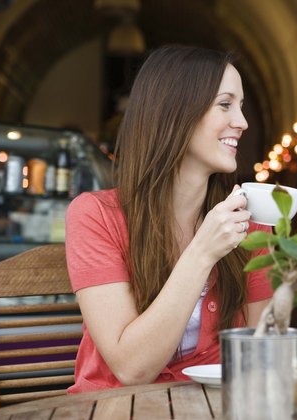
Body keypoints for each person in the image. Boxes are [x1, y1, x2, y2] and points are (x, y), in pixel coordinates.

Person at [65, 45, 273, 392]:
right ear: (174, 112)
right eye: (225, 104)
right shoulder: (95, 216)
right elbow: (131, 369)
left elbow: (263, 351)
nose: (242, 122)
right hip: (119, 411)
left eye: (241, 107)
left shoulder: (248, 221)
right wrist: (203, 253)